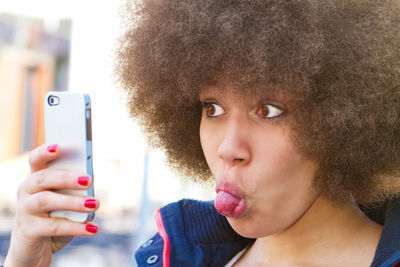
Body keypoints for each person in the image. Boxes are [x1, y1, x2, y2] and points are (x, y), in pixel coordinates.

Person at [3, 0, 400, 266]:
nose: (229, 149)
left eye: (269, 110)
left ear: (344, 121)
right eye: (213, 109)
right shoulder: (175, 254)